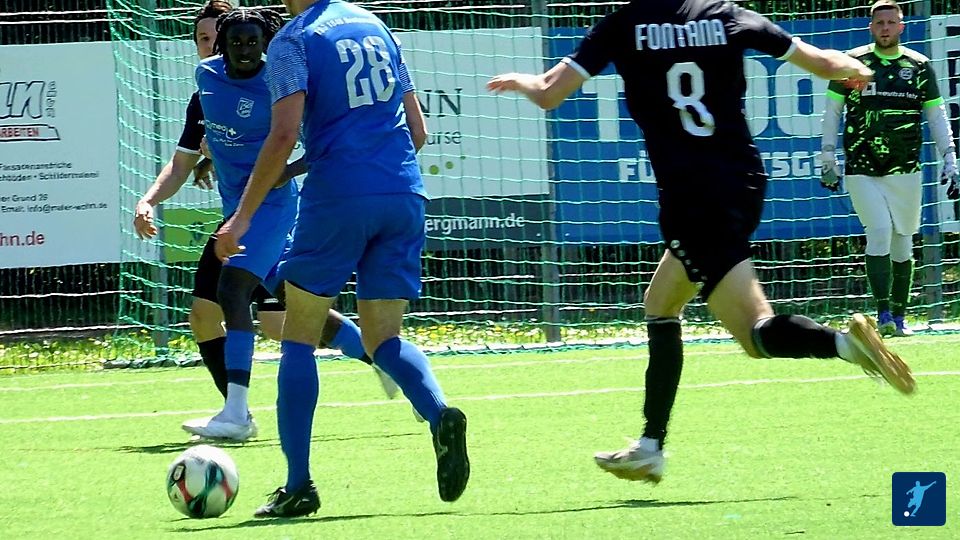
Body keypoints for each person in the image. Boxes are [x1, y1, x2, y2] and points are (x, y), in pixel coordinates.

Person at [487, 0, 916, 485]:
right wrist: (857, 68)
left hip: (691, 198)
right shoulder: (728, 16)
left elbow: (549, 93)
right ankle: (650, 446)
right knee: (661, 303)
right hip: (742, 181)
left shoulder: (624, 24)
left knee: (755, 334)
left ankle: (845, 346)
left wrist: (522, 81)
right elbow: (823, 63)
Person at [214, 0, 468, 517]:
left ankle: (298, 486)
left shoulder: (292, 40)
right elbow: (418, 131)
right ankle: (439, 413)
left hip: (338, 197)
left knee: (299, 336)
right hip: (403, 193)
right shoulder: (374, 24)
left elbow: (283, 134)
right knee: (384, 339)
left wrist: (241, 218)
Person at [133, 3, 398, 441]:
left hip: (270, 208)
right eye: (234, 41)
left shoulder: (282, 84)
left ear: (266, 44)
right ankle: (386, 362)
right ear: (221, 45)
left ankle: (236, 414)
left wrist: (285, 172)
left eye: (252, 41)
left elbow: (321, 143)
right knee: (293, 308)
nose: (244, 49)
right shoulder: (206, 80)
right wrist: (148, 200)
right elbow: (183, 162)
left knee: (231, 290)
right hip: (236, 211)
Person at [819, 0, 958, 338]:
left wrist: (950, 156)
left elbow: (936, 114)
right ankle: (882, 312)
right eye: (879, 23)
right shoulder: (853, 64)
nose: (885, 28)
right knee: (879, 230)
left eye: (891, 22)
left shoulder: (919, 66)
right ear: (870, 27)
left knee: (903, 241)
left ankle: (899, 315)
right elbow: (833, 111)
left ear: (901, 27)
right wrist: (827, 157)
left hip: (905, 167)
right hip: (862, 166)